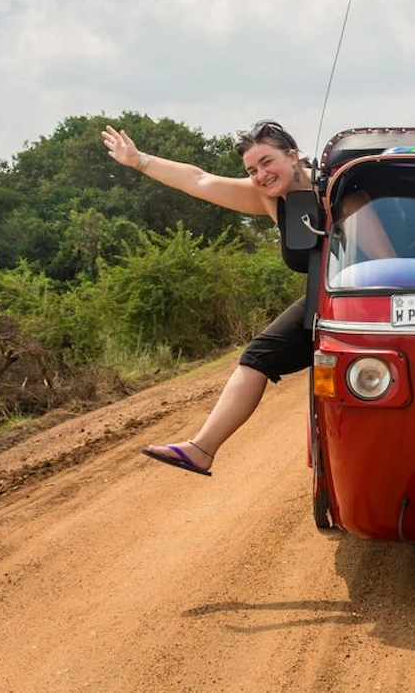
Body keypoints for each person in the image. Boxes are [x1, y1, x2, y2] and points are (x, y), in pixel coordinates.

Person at [101, 120, 392, 476]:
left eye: (267, 162)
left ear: (293, 156)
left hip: (366, 302)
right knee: (258, 355)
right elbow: (199, 180)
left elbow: (384, 260)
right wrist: (139, 160)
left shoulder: (340, 192)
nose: (261, 175)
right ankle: (202, 449)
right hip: (321, 299)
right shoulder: (270, 199)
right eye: (252, 169)